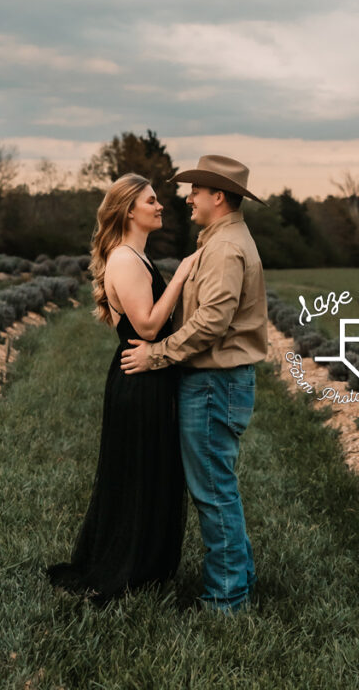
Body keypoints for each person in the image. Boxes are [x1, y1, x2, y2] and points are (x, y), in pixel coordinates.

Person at [120, 154, 269, 614]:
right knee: (217, 484)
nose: (188, 199)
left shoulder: (225, 248)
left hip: (213, 384)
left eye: (196, 191)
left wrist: (156, 355)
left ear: (217, 196)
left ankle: (226, 599)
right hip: (216, 383)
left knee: (212, 490)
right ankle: (238, 577)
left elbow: (211, 323)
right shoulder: (221, 240)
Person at [45, 172, 200, 606]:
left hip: (144, 374)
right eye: (151, 200)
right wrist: (184, 272)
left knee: (148, 471)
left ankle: (145, 566)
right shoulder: (126, 260)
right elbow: (148, 326)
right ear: (130, 209)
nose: (161, 206)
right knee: (137, 474)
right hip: (139, 376)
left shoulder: (135, 256)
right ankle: (126, 568)